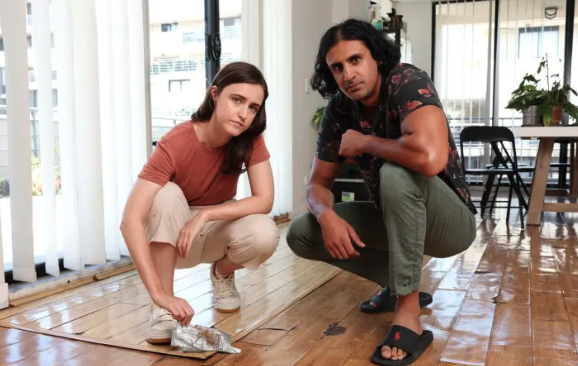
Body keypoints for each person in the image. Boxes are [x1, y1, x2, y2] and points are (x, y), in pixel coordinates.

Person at [286, 19, 477, 365]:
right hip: (395, 218)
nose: (348, 74)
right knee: (302, 233)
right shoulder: (340, 110)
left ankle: (407, 312)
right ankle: (398, 286)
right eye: (337, 67)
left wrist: (365, 142)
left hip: (450, 223)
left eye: (356, 60)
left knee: (396, 174)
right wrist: (326, 216)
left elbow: (429, 158)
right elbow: (317, 184)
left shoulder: (406, 81)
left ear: (376, 57)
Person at [120, 61, 280, 345]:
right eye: (237, 100)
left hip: (213, 230)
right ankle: (162, 309)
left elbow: (265, 200)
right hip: (173, 238)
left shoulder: (250, 139)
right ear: (215, 94)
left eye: (253, 107)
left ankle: (222, 273)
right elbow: (130, 219)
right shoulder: (176, 142)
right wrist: (158, 293)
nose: (244, 114)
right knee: (165, 193)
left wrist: (206, 214)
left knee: (264, 231)